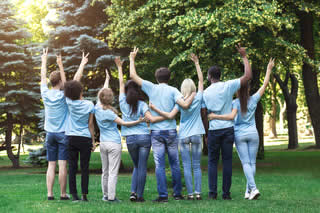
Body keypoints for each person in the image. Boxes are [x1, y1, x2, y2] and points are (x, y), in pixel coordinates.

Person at [129, 47, 196, 202]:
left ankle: (163, 195)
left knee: (159, 164)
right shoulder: (173, 90)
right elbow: (184, 105)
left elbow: (133, 75)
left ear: (156, 77)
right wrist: (191, 96)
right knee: (175, 163)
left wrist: (132, 59)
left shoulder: (151, 88)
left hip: (156, 133)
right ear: (169, 77)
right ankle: (178, 194)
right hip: (171, 131)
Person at [208, 58, 275, 200]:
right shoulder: (255, 99)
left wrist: (214, 116)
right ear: (249, 89)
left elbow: (231, 116)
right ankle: (249, 191)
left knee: (246, 163)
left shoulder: (234, 103)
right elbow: (265, 84)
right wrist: (268, 69)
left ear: (237, 92)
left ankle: (253, 188)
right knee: (252, 163)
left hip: (239, 134)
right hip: (253, 134)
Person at [149, 53, 205, 200]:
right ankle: (198, 193)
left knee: (186, 165)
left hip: (184, 135)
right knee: (197, 165)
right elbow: (201, 81)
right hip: (198, 133)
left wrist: (154, 108)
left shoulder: (179, 102)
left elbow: (169, 116)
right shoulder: (198, 97)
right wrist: (197, 63)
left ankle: (191, 194)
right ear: (193, 88)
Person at [202, 44, 252, 200]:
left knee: (212, 161)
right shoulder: (228, 86)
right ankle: (226, 194)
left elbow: (204, 114)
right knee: (227, 161)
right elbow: (248, 76)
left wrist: (206, 133)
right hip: (228, 128)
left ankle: (212, 193)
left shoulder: (204, 92)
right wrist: (244, 56)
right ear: (220, 75)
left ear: (210, 77)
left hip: (214, 129)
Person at [115, 57, 164, 202]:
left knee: (137, 165)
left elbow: (120, 83)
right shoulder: (142, 104)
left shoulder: (122, 102)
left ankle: (133, 192)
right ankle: (139, 195)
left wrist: (119, 68)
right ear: (138, 90)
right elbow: (149, 118)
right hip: (143, 137)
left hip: (130, 139)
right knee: (141, 166)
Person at [95, 68, 146, 203]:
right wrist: (139, 121)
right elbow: (125, 123)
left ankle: (105, 195)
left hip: (103, 143)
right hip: (114, 144)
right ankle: (111, 197)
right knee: (112, 172)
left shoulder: (97, 108)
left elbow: (102, 93)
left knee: (104, 171)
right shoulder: (110, 114)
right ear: (110, 99)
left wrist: (107, 80)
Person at [64, 52, 96, 202]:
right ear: (81, 91)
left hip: (71, 137)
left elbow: (75, 82)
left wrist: (82, 64)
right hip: (84, 138)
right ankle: (84, 195)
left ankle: (74, 195)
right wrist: (93, 140)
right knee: (84, 167)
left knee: (72, 168)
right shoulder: (90, 104)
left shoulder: (69, 103)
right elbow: (90, 124)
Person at [40, 48, 69, 201]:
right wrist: (60, 64)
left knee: (51, 165)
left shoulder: (45, 93)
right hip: (63, 133)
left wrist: (44, 60)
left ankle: (50, 194)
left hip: (50, 134)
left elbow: (42, 77)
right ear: (60, 82)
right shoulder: (63, 95)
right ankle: (63, 194)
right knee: (62, 165)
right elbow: (66, 84)